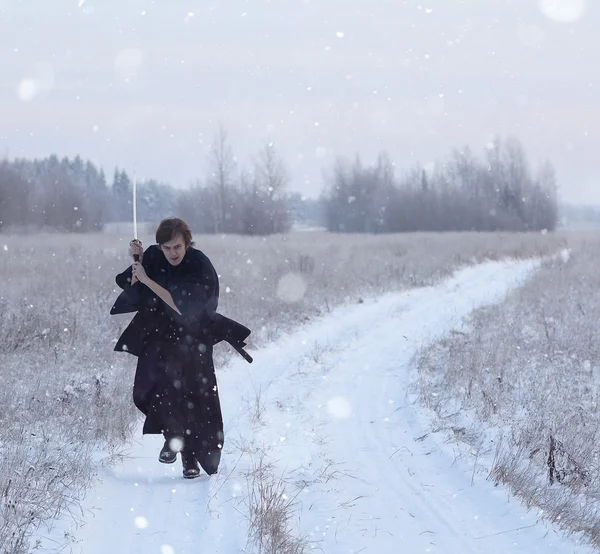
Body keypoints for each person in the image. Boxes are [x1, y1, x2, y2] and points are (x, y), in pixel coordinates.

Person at [110, 218, 252, 479]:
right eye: (166, 248)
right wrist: (137, 262)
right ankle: (174, 437)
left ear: (187, 243)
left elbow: (182, 307)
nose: (172, 253)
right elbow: (128, 283)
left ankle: (186, 456)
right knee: (148, 390)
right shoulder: (154, 255)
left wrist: (148, 280)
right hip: (160, 335)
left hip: (193, 338)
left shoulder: (200, 265)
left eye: (177, 247)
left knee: (193, 398)